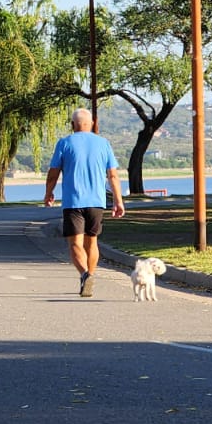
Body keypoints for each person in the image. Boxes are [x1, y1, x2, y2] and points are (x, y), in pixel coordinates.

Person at [43, 108, 125, 298]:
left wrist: (48, 193)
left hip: (73, 201)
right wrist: (118, 201)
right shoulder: (103, 143)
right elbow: (113, 175)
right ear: (92, 123)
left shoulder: (64, 143)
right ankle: (91, 275)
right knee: (92, 241)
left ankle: (85, 274)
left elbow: (53, 173)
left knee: (75, 244)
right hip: (97, 201)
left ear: (73, 124)